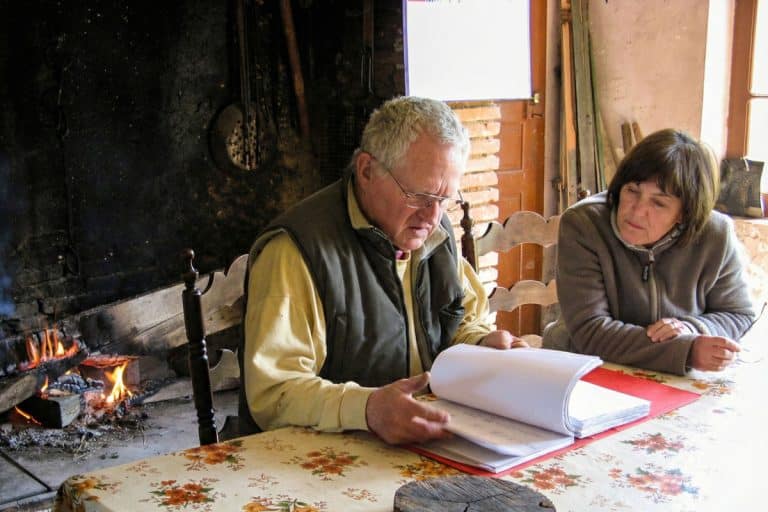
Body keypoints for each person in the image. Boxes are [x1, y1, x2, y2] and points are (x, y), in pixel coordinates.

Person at [240, 96, 525, 445]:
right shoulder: (297, 251)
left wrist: (482, 344)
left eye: (445, 199)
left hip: (420, 441)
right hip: (321, 460)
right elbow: (274, 389)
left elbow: (459, 319)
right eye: (418, 195)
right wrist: (368, 408)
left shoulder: (433, 232)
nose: (432, 216)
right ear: (366, 171)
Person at [543, 128, 756, 375]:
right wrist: (685, 351)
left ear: (685, 213)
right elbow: (591, 331)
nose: (636, 211)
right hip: (584, 366)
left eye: (658, 202)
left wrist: (691, 328)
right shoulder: (584, 225)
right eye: (632, 191)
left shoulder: (715, 234)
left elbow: (739, 315)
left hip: (672, 375)